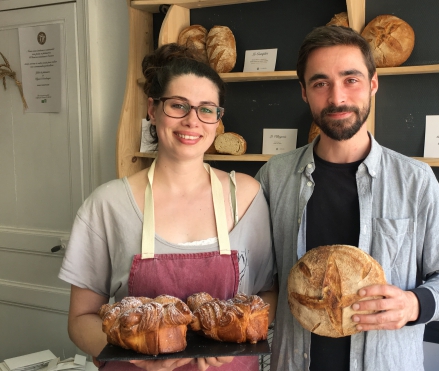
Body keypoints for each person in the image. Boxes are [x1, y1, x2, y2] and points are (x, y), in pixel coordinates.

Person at [255, 26, 439, 371]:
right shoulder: (274, 177)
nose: (337, 98)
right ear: (304, 93)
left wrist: (414, 305)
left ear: (373, 83)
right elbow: (257, 277)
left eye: (350, 79)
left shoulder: (415, 180)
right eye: (320, 83)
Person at [58, 43, 277, 371]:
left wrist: (236, 334)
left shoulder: (245, 196)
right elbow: (80, 319)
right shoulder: (107, 205)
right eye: (178, 106)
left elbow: (267, 297)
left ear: (218, 120)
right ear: (152, 108)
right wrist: (134, 352)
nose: (192, 121)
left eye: (206, 109)